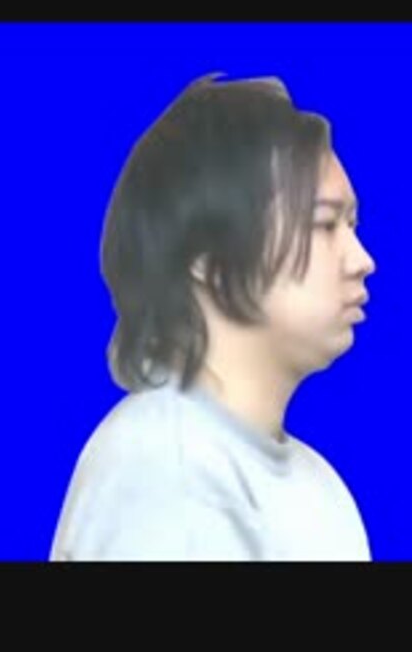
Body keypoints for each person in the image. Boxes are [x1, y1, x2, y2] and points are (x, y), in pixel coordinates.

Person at [50, 73, 377, 561]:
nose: (362, 260)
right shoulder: (161, 468)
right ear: (206, 255)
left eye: (352, 225)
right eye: (325, 224)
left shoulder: (320, 488)